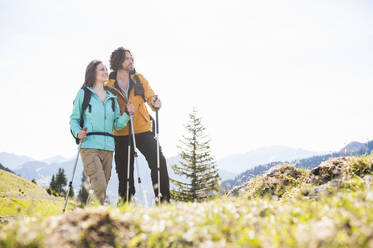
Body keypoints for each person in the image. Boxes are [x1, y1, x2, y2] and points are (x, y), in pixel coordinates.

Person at [105, 47, 170, 203]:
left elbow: (150, 95)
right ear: (118, 61)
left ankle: (164, 201)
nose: (131, 61)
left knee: (158, 161)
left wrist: (155, 102)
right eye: (127, 58)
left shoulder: (139, 79)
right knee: (125, 172)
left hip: (142, 128)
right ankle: (126, 204)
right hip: (121, 132)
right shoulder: (109, 84)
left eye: (131, 58)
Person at [70, 59, 135, 205]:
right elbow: (74, 119)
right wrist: (77, 132)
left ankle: (88, 219)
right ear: (93, 72)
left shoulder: (112, 98)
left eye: (106, 69)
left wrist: (127, 114)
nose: (106, 72)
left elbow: (117, 125)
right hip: (90, 146)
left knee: (100, 189)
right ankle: (89, 219)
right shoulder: (84, 94)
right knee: (100, 186)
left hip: (108, 148)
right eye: (102, 69)